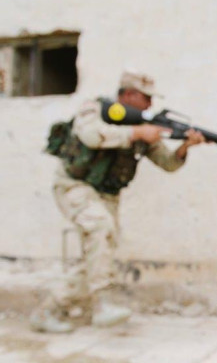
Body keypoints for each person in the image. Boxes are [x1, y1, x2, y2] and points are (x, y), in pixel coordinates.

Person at [31, 70, 205, 333]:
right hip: (74, 186)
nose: (149, 104)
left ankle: (49, 310)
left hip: (107, 194)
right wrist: (137, 133)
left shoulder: (144, 128)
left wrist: (185, 147)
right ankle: (102, 304)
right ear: (128, 95)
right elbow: (91, 135)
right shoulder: (95, 109)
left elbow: (168, 164)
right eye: (145, 98)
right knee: (100, 228)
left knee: (100, 253)